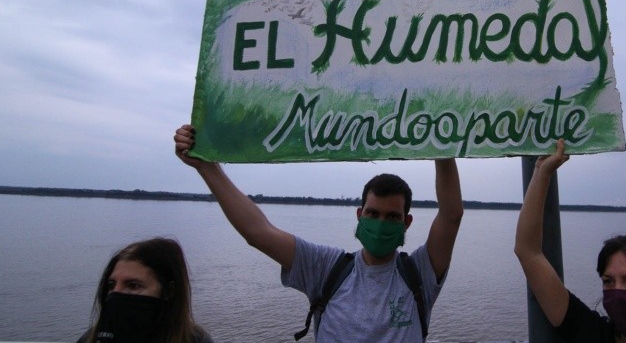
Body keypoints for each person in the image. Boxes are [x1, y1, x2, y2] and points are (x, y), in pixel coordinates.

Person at [174, 124, 463, 342]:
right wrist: (207, 168)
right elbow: (258, 232)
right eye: (373, 213)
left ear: (407, 223)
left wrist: (442, 144)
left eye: (392, 217)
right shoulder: (327, 268)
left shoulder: (420, 274)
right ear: (360, 215)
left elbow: (451, 216)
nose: (381, 223)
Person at [514, 139, 626, 343]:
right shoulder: (593, 334)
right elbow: (528, 251)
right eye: (608, 281)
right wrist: (541, 172)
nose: (618, 292)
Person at [78, 237, 213, 343]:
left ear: (169, 291)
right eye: (111, 285)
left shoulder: (196, 340)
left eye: (133, 286)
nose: (115, 294)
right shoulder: (90, 339)